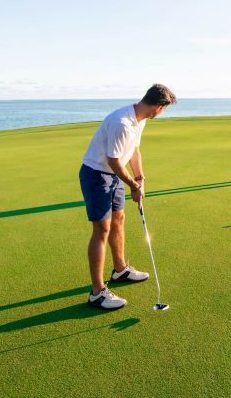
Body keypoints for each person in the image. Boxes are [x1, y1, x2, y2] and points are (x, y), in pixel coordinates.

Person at [79, 83, 176, 310]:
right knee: (101, 230)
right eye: (164, 109)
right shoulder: (122, 123)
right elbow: (113, 160)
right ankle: (97, 292)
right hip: (97, 175)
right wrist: (132, 184)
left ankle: (120, 270)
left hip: (114, 175)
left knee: (119, 221)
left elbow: (133, 151)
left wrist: (140, 178)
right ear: (158, 107)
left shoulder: (138, 120)